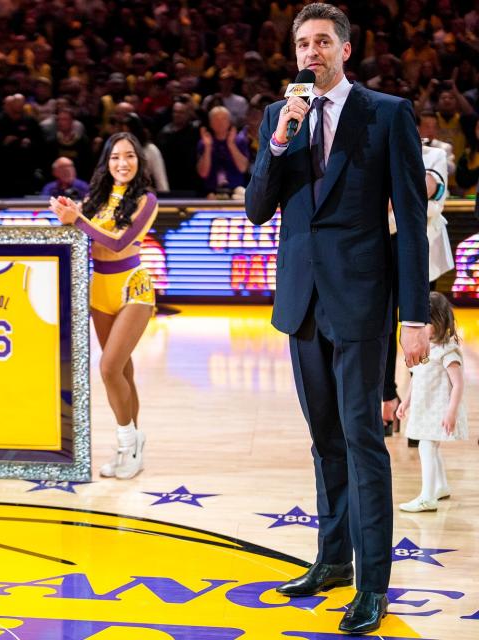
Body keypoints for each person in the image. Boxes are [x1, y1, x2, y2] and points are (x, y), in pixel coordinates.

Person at [244, 4, 429, 635]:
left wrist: (414, 316)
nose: (311, 52)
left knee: (362, 441)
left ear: (345, 50)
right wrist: (278, 140)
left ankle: (373, 586)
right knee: (325, 440)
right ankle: (332, 561)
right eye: (302, 43)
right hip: (300, 302)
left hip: (361, 303)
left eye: (323, 41)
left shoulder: (386, 113)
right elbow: (256, 210)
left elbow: (407, 221)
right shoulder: (280, 116)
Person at [49, 132, 159, 480]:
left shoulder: (147, 200)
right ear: (106, 163)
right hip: (100, 290)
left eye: (129, 156)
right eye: (115, 157)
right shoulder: (95, 199)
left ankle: (128, 443)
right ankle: (133, 447)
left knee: (109, 368)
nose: (122, 163)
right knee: (123, 371)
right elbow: (82, 240)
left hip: (133, 289)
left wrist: (78, 220)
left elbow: (119, 242)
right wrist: (68, 216)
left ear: (139, 162)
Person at [382, 134, 453, 439]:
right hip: (383, 246)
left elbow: (425, 189)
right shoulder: (378, 150)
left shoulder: (434, 154)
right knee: (382, 326)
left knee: (423, 329)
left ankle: (420, 405)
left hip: (422, 250)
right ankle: (387, 399)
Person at [396, 292, 468, 512]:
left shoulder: (448, 350)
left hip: (437, 409)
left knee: (427, 447)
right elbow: (417, 377)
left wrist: (451, 412)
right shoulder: (427, 349)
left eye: (425, 323)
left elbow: (458, 384)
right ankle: (441, 486)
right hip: (425, 407)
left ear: (437, 321)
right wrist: (405, 402)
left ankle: (428, 496)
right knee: (432, 448)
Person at [197, 105, 250, 196]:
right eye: (216, 119)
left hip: (235, 190)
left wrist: (231, 145)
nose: (220, 122)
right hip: (211, 191)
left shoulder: (239, 140)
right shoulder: (205, 142)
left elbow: (243, 168)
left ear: (229, 122)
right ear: (210, 123)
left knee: (241, 194)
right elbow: (203, 173)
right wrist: (208, 147)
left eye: (223, 119)